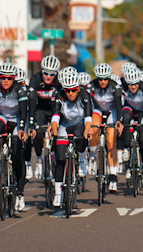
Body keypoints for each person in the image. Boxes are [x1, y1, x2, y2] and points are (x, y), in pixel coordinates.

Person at [0, 62, 29, 212]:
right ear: (0, 78)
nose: (6, 81)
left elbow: (23, 112)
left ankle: (20, 194)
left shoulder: (20, 90)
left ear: (14, 78)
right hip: (2, 116)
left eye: (9, 78)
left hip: (16, 118)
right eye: (3, 78)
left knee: (17, 157)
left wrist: (22, 129)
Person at [50, 71, 92, 207]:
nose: (71, 94)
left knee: (81, 136)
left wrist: (87, 131)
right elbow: (55, 116)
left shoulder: (84, 94)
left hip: (80, 123)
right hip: (65, 124)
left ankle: (81, 158)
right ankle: (58, 193)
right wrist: (54, 130)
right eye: (68, 91)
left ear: (78, 88)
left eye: (73, 90)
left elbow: (88, 117)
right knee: (60, 158)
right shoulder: (59, 95)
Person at [87, 62, 124, 193]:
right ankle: (92, 155)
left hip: (112, 110)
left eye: (105, 79)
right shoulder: (92, 85)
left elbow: (119, 106)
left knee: (110, 141)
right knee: (94, 129)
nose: (102, 81)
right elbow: (87, 103)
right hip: (97, 110)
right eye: (100, 79)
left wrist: (119, 121)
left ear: (109, 78)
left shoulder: (115, 87)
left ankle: (113, 175)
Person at [120, 66, 143, 187]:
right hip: (129, 109)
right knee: (125, 117)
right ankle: (126, 148)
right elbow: (119, 106)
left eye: (135, 84)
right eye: (130, 84)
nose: (133, 87)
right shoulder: (123, 88)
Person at [27, 55, 62, 181]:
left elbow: (61, 104)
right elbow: (31, 101)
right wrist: (31, 123)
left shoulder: (59, 82)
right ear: (41, 71)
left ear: (56, 74)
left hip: (55, 109)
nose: (48, 76)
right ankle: (39, 160)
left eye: (52, 74)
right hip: (40, 110)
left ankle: (53, 156)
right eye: (45, 73)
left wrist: (53, 124)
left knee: (56, 133)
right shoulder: (35, 79)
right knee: (38, 132)